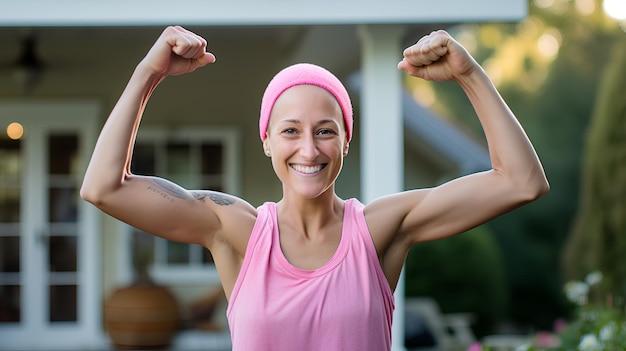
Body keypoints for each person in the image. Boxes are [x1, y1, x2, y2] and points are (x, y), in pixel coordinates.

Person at [81, 26, 549, 351]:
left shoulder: (380, 229)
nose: (309, 149)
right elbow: (103, 187)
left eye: (325, 130)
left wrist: (469, 73)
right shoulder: (235, 229)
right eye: (290, 131)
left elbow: (521, 182)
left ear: (346, 139)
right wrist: (149, 72)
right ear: (266, 141)